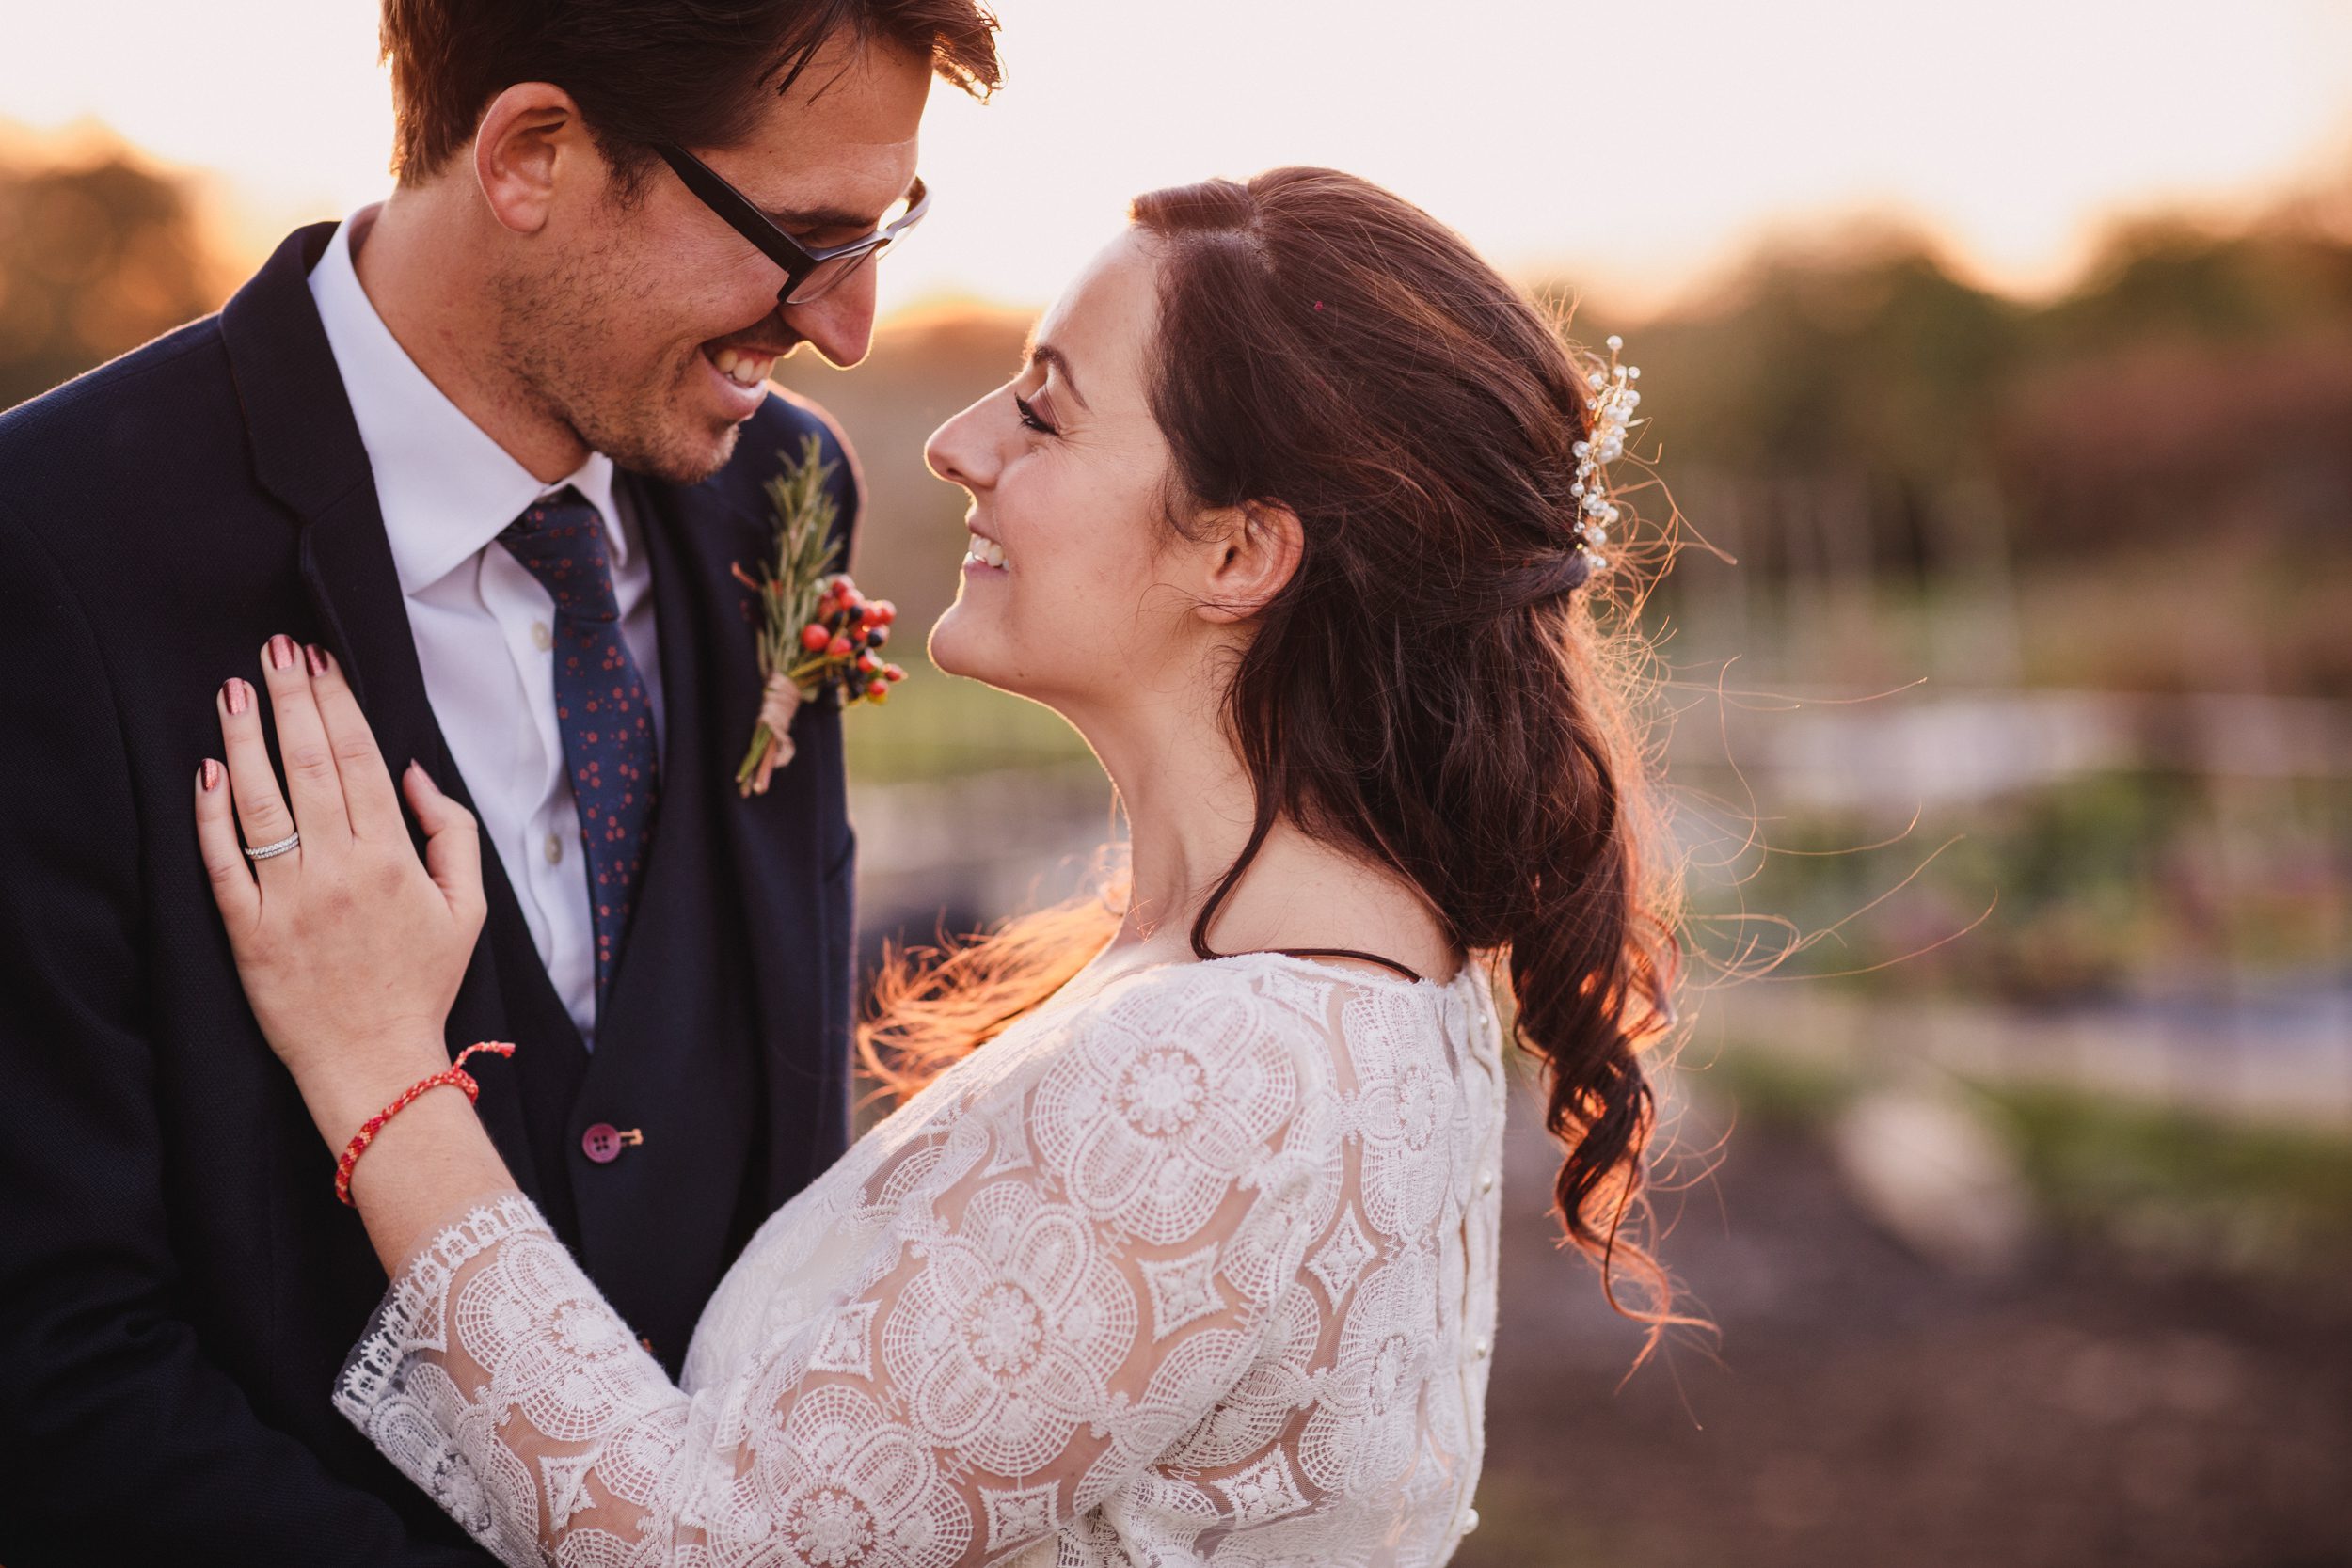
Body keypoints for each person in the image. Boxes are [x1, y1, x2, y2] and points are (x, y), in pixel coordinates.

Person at [191, 166, 1684, 1564]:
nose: (954, 443)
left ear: (1238, 553)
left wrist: (380, 1063)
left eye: (1044, 414)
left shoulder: (1238, 1073)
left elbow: (704, 1545)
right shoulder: (1320, 970)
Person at [0, 2, 1000, 1561]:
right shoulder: (52, 550)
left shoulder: (787, 492)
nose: (849, 323)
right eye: (802, 238)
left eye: (884, 231)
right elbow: (48, 1363)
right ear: (533, 154)